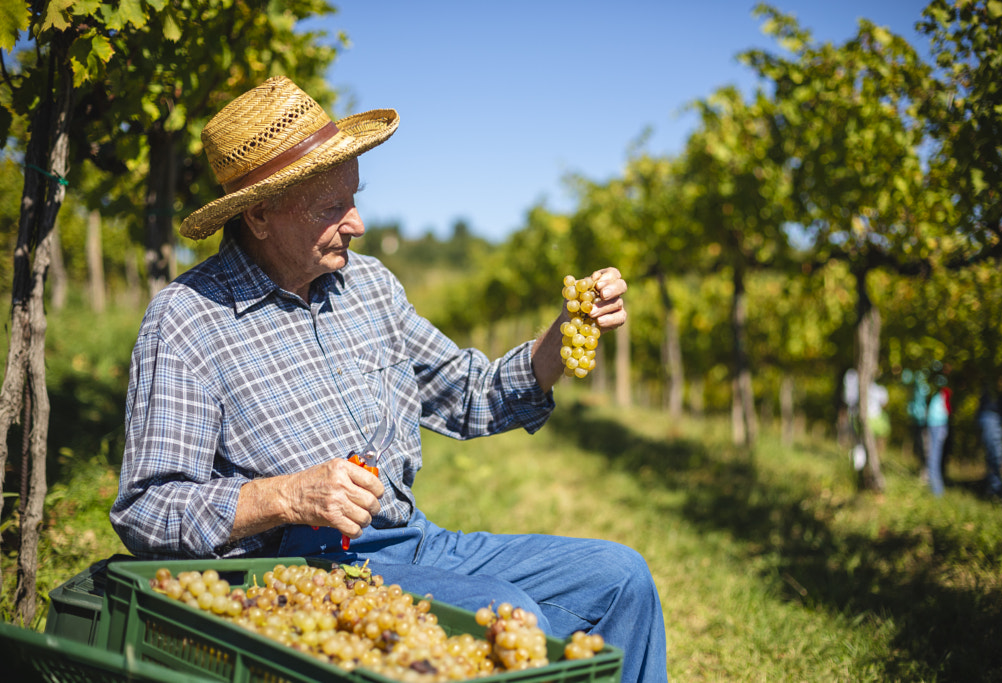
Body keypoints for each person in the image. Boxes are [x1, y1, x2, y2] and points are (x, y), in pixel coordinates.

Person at [109, 76, 667, 683]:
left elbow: (471, 396)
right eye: (331, 207)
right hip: (303, 572)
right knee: (515, 622)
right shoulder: (188, 321)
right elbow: (147, 510)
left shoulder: (369, 286)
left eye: (355, 196)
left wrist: (563, 335)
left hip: (417, 542)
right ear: (261, 214)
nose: (358, 223)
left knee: (621, 579)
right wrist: (287, 496)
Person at [926, 381, 952, 496]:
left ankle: (936, 489)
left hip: (938, 423)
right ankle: (936, 489)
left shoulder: (942, 389)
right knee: (934, 455)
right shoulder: (938, 388)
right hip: (936, 424)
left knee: (934, 455)